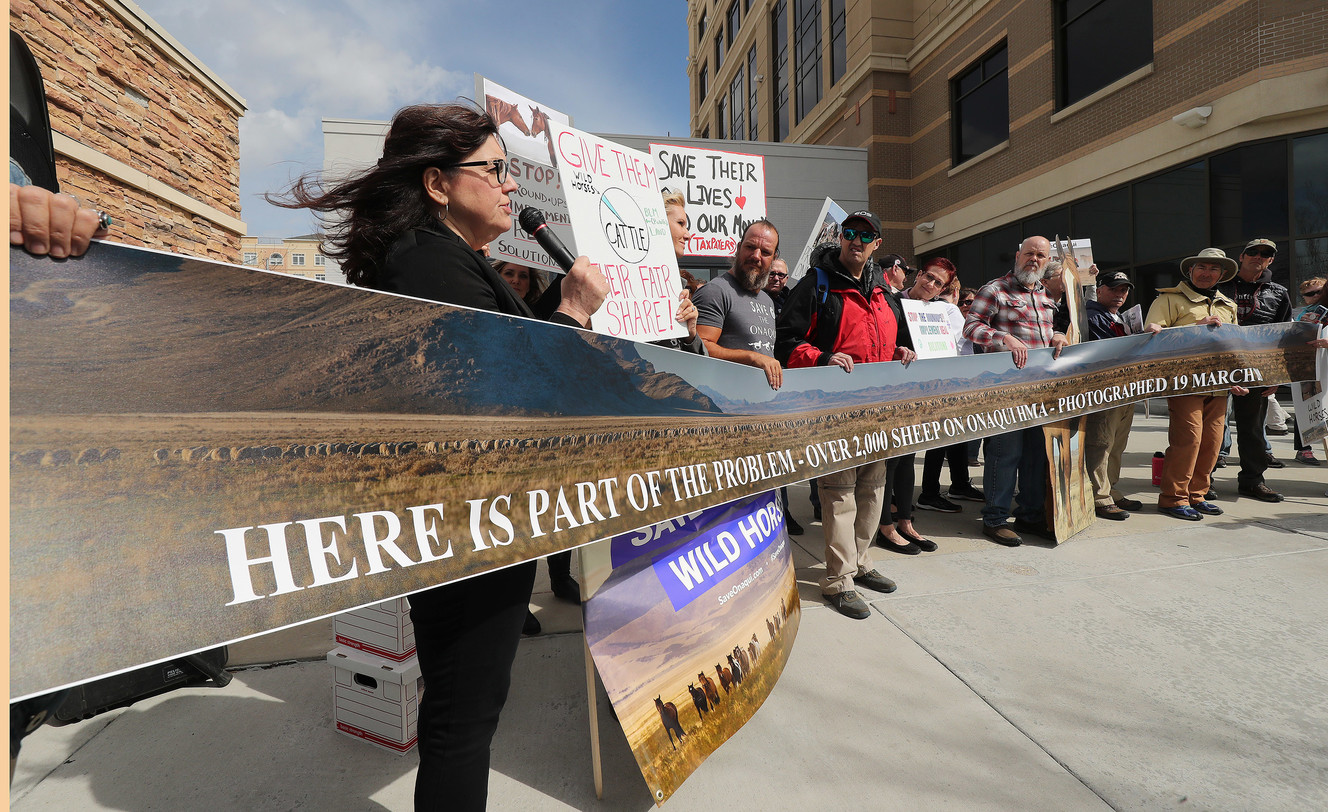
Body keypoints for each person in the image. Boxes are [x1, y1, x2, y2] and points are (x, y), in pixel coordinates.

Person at [271, 102, 608, 810]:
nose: (510, 186)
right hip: (466, 531)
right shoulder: (426, 262)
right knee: (461, 718)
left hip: (488, 521)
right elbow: (507, 388)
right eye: (494, 170)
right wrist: (572, 313)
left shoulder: (457, 261)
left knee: (468, 710)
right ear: (437, 184)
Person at [775, 211, 915, 619]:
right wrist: (820, 357)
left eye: (866, 235)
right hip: (835, 410)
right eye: (849, 233)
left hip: (879, 409)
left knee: (873, 488)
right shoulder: (817, 285)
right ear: (841, 239)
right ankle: (838, 580)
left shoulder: (885, 294)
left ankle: (859, 562)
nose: (857, 240)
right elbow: (784, 342)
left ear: (876, 245)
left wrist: (903, 351)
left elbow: (900, 342)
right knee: (839, 492)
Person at [962, 235, 1069, 546]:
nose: (1034, 259)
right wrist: (1003, 339)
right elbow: (971, 327)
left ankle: (1030, 516)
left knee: (1037, 455)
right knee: (1004, 454)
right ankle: (994, 519)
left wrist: (1059, 336)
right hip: (1005, 390)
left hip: (1041, 390)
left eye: (1040, 255)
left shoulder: (1046, 296)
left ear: (1047, 261)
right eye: (1029, 254)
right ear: (1018, 255)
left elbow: (1050, 329)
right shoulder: (995, 289)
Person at [1144, 248, 1240, 521]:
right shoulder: (1169, 299)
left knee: (1212, 443)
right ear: (1190, 271)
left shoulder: (1228, 305)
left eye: (1214, 269)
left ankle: (1197, 495)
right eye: (1202, 267)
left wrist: (1238, 378)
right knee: (1189, 440)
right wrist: (1198, 326)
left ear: (1222, 275)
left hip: (1219, 385)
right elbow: (1154, 338)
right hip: (1184, 382)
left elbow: (1233, 347)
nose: (1207, 273)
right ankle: (1173, 498)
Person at [909, 259, 984, 514]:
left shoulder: (943, 311)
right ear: (918, 275)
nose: (930, 284)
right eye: (928, 277)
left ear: (943, 289)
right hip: (909, 384)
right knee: (933, 441)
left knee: (950, 437)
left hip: (945, 383)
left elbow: (955, 345)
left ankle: (938, 489)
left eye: (937, 283)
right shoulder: (895, 302)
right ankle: (922, 494)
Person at [1220, 238, 1292, 502]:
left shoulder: (1278, 292)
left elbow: (1283, 338)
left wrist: (1277, 376)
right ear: (1241, 256)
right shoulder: (1221, 285)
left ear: (1271, 260)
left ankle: (1252, 481)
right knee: (1214, 428)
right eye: (1253, 252)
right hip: (1219, 369)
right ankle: (1203, 481)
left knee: (1252, 430)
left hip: (1257, 371)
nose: (1258, 257)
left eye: (1265, 254)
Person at [693, 219, 783, 390]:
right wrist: (751, 357)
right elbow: (700, 349)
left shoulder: (767, 301)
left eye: (765, 252)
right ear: (739, 247)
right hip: (723, 402)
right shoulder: (715, 291)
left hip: (758, 402)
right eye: (750, 247)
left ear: (773, 258)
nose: (756, 256)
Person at [1084, 271, 1143, 520]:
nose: (1120, 294)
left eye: (1124, 290)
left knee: (1118, 443)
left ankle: (1111, 487)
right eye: (1114, 289)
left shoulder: (1118, 317)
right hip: (1105, 389)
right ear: (1100, 290)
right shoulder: (1091, 316)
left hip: (1125, 389)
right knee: (1101, 443)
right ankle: (1100, 496)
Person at [1290, 277, 1325, 465]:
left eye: (1320, 292)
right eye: (1310, 294)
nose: (1316, 296)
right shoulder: (1300, 314)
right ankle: (1304, 448)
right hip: (1308, 365)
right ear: (1303, 298)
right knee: (1306, 405)